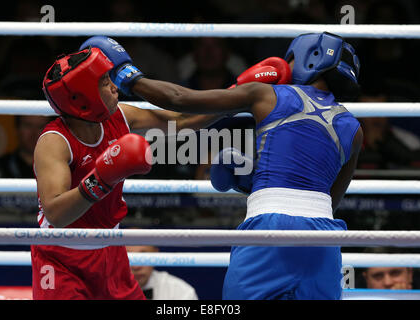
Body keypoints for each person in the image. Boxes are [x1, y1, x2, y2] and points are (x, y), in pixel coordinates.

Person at [87, 31, 363, 300]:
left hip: (271, 227)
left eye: (289, 60)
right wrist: (256, 182)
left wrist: (128, 76)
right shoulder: (354, 128)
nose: (285, 68)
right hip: (325, 240)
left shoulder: (268, 95)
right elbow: (328, 200)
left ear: (310, 57)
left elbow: (180, 100)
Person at [32, 43, 226, 300]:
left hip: (111, 249)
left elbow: (182, 120)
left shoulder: (119, 116)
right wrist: (101, 179)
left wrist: (235, 98)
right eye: (103, 82)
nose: (114, 86)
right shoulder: (54, 141)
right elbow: (56, 213)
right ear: (84, 97)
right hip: (62, 255)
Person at [126, 244, 199, 300]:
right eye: (127, 256)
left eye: (144, 256)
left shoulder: (181, 291)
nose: (136, 267)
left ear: (156, 255)